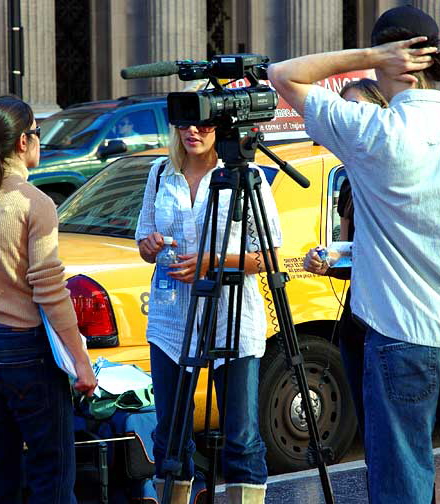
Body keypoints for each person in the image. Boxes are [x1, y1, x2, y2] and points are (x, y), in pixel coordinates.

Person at [269, 6, 440, 503]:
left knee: (402, 477)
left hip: (399, 331)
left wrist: (367, 57)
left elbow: (283, 75)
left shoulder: (371, 132)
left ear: (392, 60)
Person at [0, 95, 97, 504]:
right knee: (52, 472)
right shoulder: (34, 203)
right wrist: (80, 359)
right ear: (24, 142)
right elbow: (49, 291)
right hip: (23, 347)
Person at [136, 106, 281, 504]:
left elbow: (269, 257)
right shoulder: (160, 173)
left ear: (221, 127)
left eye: (202, 123)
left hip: (231, 318)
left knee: (241, 436)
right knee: (169, 433)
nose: (191, 131)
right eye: (183, 123)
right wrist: (149, 247)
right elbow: (145, 240)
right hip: (172, 320)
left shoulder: (245, 178)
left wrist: (211, 262)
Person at [302, 78, 387, 443]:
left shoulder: (395, 172)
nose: (347, 120)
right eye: (342, 111)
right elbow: (348, 252)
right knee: (371, 430)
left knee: (395, 433)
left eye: (356, 109)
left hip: (393, 316)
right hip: (357, 315)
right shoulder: (349, 180)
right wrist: (326, 260)